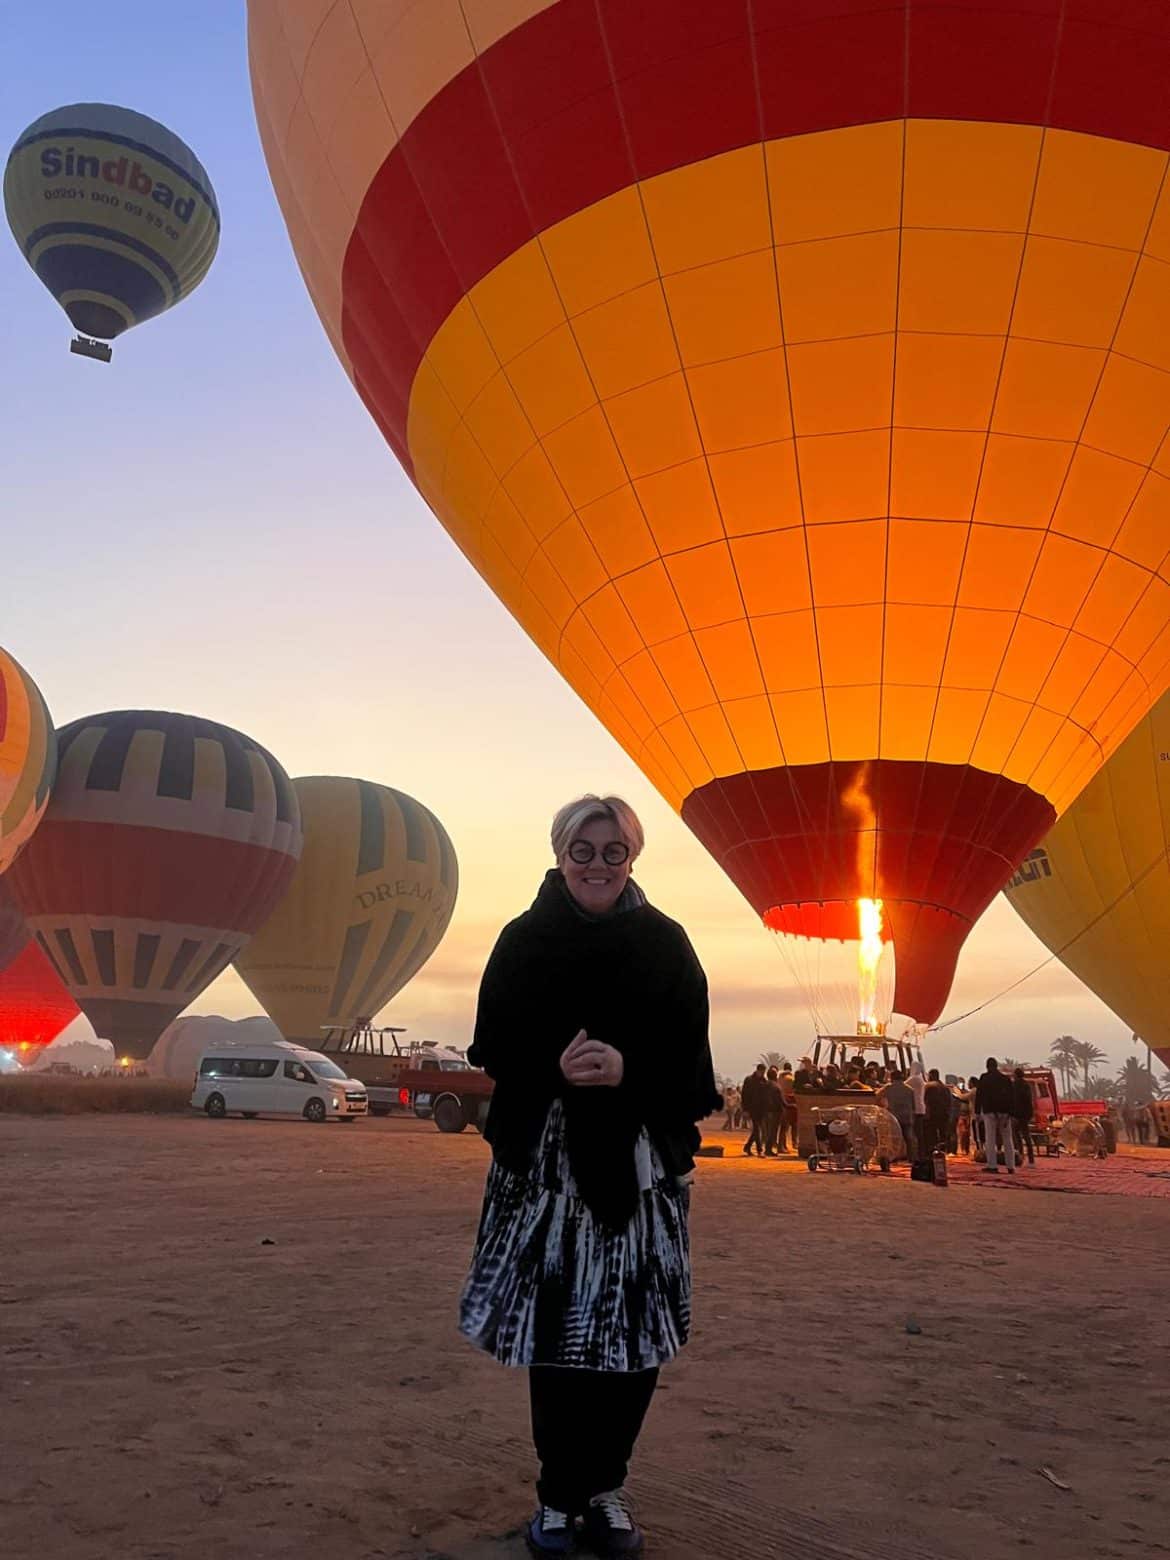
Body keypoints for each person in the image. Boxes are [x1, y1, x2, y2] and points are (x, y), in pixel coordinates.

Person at [459, 794, 721, 1556]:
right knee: (558, 1337)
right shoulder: (522, 941)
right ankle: (558, 1495)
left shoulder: (667, 945)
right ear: (560, 854)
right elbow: (492, 1046)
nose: (598, 866)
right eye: (583, 850)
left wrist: (627, 1070)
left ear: (632, 857)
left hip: (638, 1170)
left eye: (613, 852)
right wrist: (556, 1068)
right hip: (548, 1172)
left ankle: (605, 1487)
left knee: (633, 1337)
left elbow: (692, 1067)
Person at [975, 1058, 1016, 1173]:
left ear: (987, 1066)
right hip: (1005, 1113)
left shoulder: (984, 1078)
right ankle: (1011, 1166)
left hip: (990, 1112)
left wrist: (977, 1112)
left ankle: (992, 1165)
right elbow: (1012, 1097)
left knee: (990, 1139)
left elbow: (979, 1095)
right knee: (1007, 1139)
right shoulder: (1005, 1079)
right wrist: (1011, 1113)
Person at [877, 1070, 916, 1161]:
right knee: (909, 1138)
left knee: (894, 1139)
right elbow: (913, 1105)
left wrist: (883, 1107)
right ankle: (912, 1158)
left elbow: (878, 1095)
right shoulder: (910, 1089)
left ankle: (894, 1157)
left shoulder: (888, 1088)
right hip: (907, 1117)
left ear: (892, 1077)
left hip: (894, 1116)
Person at [922, 1068, 952, 1156]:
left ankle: (933, 1151)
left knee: (931, 1134)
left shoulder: (928, 1086)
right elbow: (949, 1101)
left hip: (932, 1114)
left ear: (931, 1076)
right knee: (943, 1134)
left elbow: (925, 1101)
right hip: (944, 1114)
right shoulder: (945, 1087)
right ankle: (943, 1151)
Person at [741, 1063, 768, 1156]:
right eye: (762, 1071)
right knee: (757, 1129)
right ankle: (759, 1150)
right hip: (751, 1108)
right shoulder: (749, 1080)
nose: (763, 1073)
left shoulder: (764, 1081)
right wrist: (745, 1109)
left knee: (756, 1130)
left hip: (761, 1109)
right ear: (758, 1070)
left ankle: (747, 1147)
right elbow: (744, 1095)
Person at [1011, 1067, 1035, 1166]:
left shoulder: (1014, 1085)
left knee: (1016, 1137)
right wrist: (1030, 1114)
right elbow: (1029, 1101)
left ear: (1015, 1075)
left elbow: (1012, 1100)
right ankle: (1031, 1160)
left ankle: (1020, 1156)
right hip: (1025, 1115)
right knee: (1026, 1137)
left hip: (1016, 1115)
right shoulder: (1026, 1085)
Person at [763, 1065, 784, 1156]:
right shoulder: (776, 1086)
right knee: (772, 1131)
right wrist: (789, 1106)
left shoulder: (765, 1085)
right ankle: (768, 1149)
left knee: (768, 1131)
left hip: (766, 1110)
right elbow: (780, 1100)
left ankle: (767, 1148)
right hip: (775, 1111)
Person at [908, 1061, 928, 1159]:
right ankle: (921, 1153)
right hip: (921, 1108)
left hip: (916, 1109)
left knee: (917, 1133)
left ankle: (918, 1154)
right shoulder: (920, 1079)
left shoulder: (914, 1079)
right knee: (920, 1134)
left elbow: (903, 1085)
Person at [778, 1063, 798, 1154]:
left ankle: (783, 1145)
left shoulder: (779, 1078)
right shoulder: (791, 1078)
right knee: (791, 1125)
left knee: (784, 1126)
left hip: (782, 1103)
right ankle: (791, 1143)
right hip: (791, 1103)